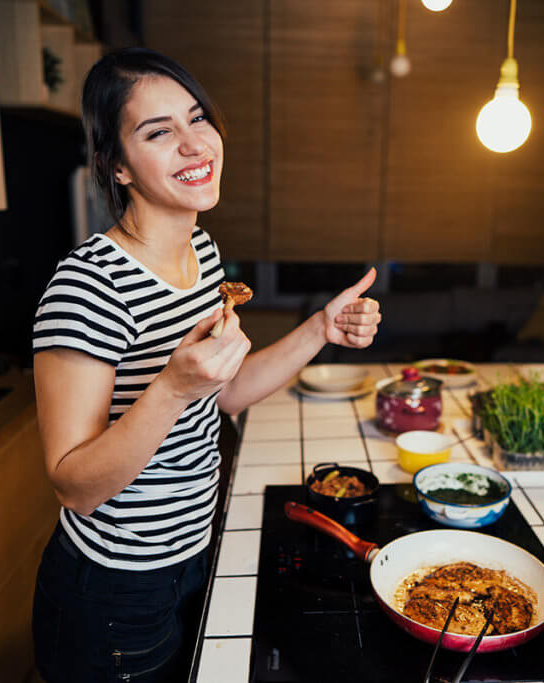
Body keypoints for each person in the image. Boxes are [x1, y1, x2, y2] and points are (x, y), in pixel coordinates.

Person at [29, 48, 381, 682]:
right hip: (117, 591)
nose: (195, 146)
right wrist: (169, 386)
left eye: (197, 119)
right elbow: (74, 485)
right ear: (117, 166)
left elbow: (221, 396)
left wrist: (318, 331)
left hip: (194, 552)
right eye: (159, 133)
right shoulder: (87, 286)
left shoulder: (201, 249)